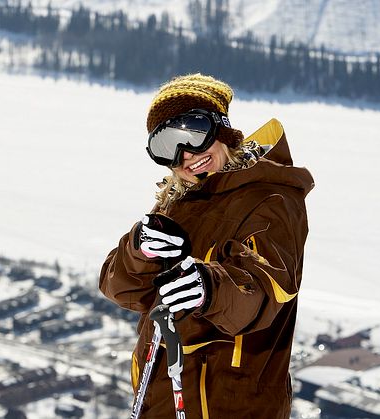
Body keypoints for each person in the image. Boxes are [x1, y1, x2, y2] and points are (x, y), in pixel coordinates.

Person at [99, 73, 314, 418]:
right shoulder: (176, 202)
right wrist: (140, 251)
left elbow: (266, 289)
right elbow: (119, 288)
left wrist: (209, 288)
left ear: (222, 130)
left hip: (229, 405)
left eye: (194, 134)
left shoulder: (271, 198)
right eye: (167, 146)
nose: (186, 156)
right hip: (161, 400)